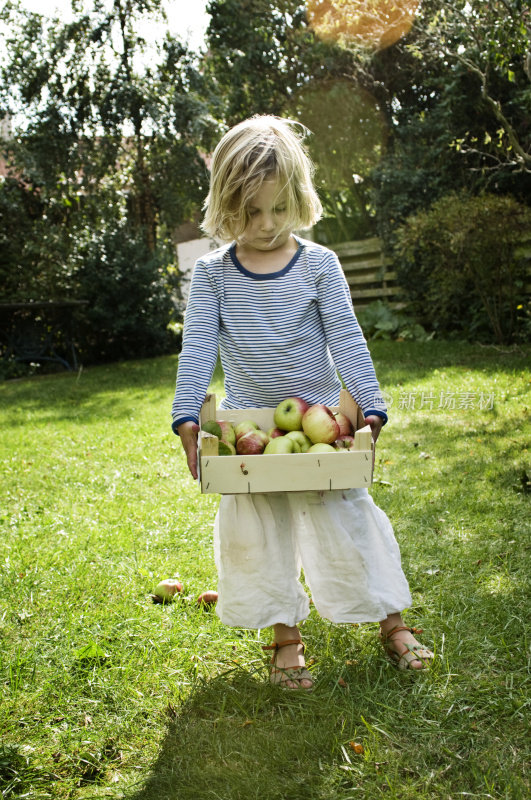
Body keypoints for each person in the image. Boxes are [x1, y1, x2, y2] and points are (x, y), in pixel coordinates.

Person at [172, 115, 434, 689]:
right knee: (260, 535)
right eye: (249, 214)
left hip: (320, 429)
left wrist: (370, 405)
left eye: (278, 209)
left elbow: (346, 339)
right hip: (253, 438)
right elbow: (197, 353)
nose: (265, 226)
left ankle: (392, 623)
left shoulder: (318, 264)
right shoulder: (214, 276)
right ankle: (285, 638)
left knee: (351, 523)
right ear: (225, 209)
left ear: (299, 198)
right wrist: (187, 417)